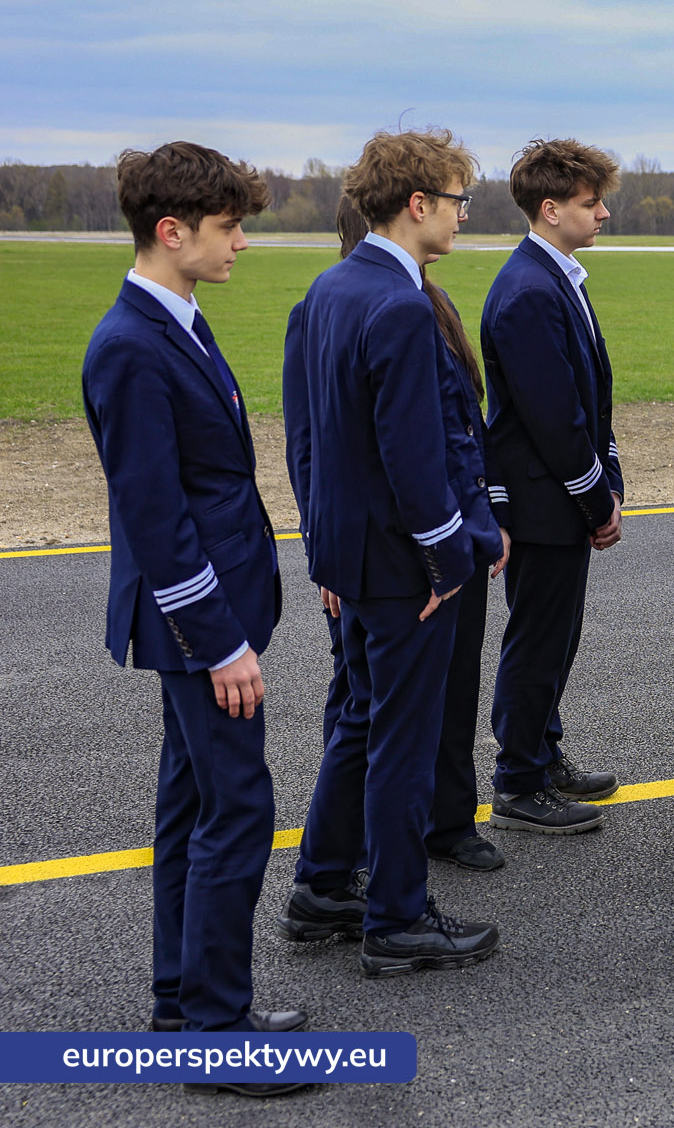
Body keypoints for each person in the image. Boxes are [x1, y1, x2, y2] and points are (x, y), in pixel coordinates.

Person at [81, 142, 309, 1094]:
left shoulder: (175, 318)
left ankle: (182, 999)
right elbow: (156, 516)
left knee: (191, 805)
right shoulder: (131, 344)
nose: (242, 244)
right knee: (238, 809)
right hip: (199, 622)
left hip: (213, 607)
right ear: (170, 232)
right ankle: (218, 1032)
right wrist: (217, 640)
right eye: (228, 228)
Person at [280, 128, 502, 977]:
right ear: (418, 205)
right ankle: (398, 916)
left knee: (360, 723)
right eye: (456, 201)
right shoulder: (404, 304)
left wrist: (326, 558)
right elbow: (415, 460)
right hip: (406, 565)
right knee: (401, 742)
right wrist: (451, 564)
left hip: (354, 558)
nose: (461, 216)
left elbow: (314, 446)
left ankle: (323, 884)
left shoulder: (330, 289)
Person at [479, 138, 625, 836]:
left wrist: (608, 485)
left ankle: (541, 749)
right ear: (550, 209)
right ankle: (518, 780)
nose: (603, 213)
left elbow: (592, 402)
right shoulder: (529, 292)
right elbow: (557, 422)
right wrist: (599, 500)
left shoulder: (554, 277)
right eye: (591, 202)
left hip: (560, 500)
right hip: (545, 506)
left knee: (555, 639)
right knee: (538, 641)